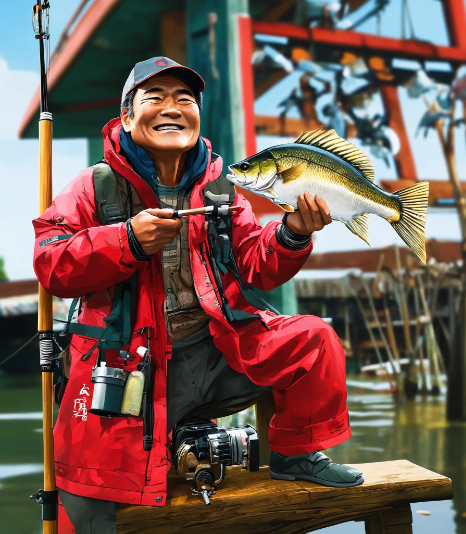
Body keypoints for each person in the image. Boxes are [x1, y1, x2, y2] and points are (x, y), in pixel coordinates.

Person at [33, 57, 363, 533]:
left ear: (198, 115)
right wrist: (125, 239)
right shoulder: (93, 186)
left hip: (215, 353)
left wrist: (291, 232)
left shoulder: (223, 188)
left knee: (313, 339)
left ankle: (296, 454)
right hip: (125, 372)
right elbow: (51, 262)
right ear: (127, 117)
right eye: (155, 98)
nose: (172, 108)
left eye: (184, 99)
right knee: (83, 497)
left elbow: (256, 262)